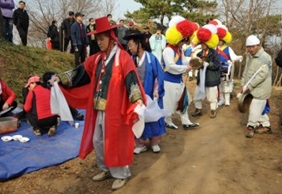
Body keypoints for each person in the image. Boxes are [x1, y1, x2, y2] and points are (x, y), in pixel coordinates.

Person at [54, 16, 145, 190]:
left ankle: (121, 174)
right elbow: (80, 72)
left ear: (111, 37)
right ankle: (105, 169)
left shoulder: (123, 58)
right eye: (97, 39)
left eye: (102, 39)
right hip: (98, 107)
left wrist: (137, 98)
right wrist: (61, 78)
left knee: (114, 140)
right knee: (98, 140)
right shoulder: (97, 59)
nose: (99, 42)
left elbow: (131, 79)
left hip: (115, 108)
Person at [123, 33, 165, 154]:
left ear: (139, 45)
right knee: (138, 118)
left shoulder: (151, 58)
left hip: (150, 94)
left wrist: (157, 90)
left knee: (152, 117)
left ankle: (154, 142)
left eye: (131, 45)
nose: (129, 48)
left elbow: (159, 76)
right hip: (137, 96)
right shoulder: (131, 60)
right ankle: (140, 143)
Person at [162, 16, 199, 130]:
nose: (183, 43)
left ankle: (186, 121)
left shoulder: (178, 50)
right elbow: (170, 67)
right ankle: (167, 121)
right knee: (169, 103)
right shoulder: (168, 50)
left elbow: (183, 60)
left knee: (184, 101)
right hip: (169, 81)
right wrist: (186, 69)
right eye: (182, 40)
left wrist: (194, 60)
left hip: (178, 81)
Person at [242, 35, 272, 138]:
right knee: (259, 108)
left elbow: (261, 76)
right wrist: (243, 83)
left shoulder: (265, 57)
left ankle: (251, 127)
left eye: (253, 47)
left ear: (258, 45)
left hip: (261, 89)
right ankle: (266, 125)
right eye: (248, 47)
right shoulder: (250, 56)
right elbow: (246, 70)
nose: (250, 49)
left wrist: (249, 86)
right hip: (251, 87)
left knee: (255, 107)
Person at [191, 24, 221, 118]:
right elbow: (197, 65)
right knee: (198, 94)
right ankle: (198, 108)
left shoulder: (215, 53)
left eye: (204, 43)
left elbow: (217, 65)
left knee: (212, 95)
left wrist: (208, 64)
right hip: (201, 79)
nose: (202, 45)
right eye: (201, 43)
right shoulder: (199, 54)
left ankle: (213, 109)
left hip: (211, 78)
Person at [216, 25, 243, 106]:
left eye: (220, 40)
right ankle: (221, 99)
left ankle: (227, 100)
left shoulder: (228, 48)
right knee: (219, 85)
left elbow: (233, 57)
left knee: (226, 85)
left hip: (226, 69)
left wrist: (239, 57)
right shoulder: (215, 48)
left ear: (223, 40)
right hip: (217, 69)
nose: (219, 41)